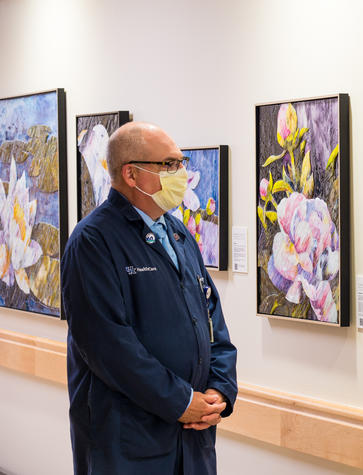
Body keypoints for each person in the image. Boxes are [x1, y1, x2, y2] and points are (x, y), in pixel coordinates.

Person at [61, 122, 238, 474]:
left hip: (191, 436)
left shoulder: (177, 233)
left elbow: (210, 319)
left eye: (181, 162)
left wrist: (220, 389)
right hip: (129, 441)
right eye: (169, 165)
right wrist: (181, 401)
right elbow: (110, 348)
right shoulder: (93, 242)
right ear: (131, 174)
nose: (182, 173)